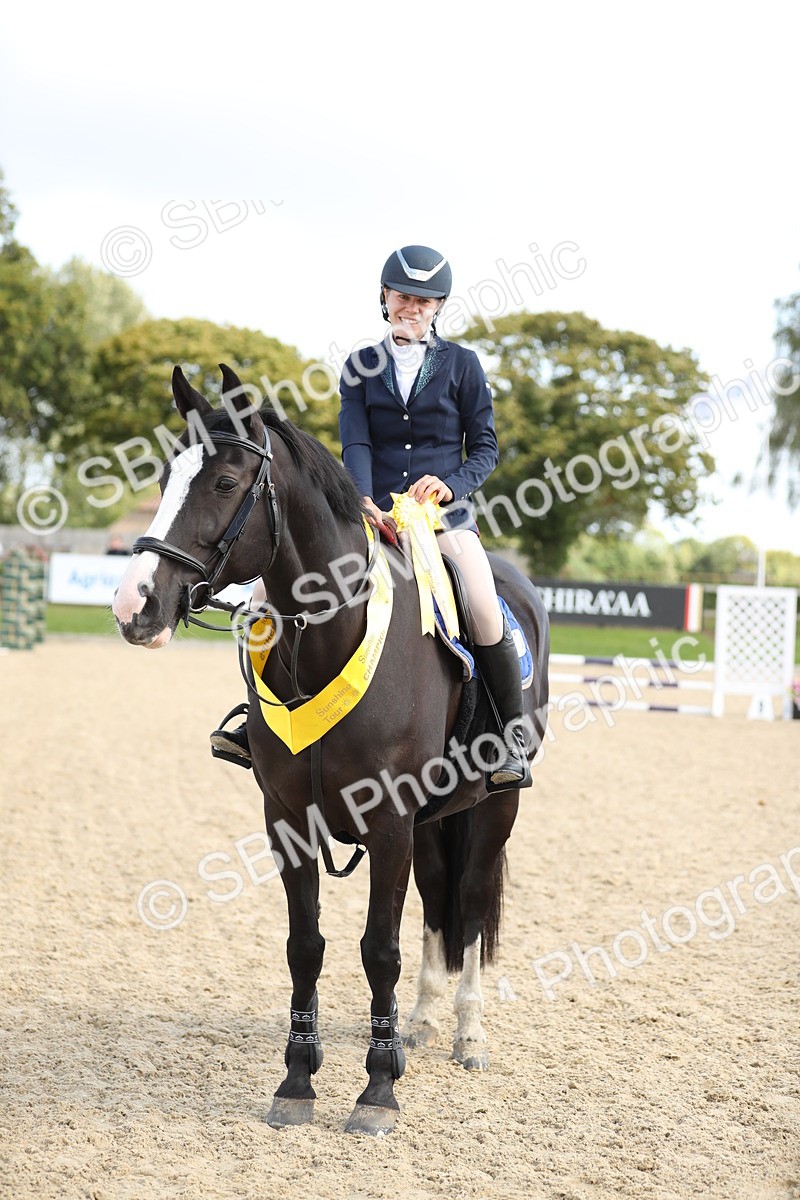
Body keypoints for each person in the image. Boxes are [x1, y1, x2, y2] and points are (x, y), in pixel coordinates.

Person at [210, 244, 531, 792]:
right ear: (384, 296)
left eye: (426, 300)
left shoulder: (463, 366)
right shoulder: (361, 365)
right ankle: (255, 721)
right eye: (404, 295)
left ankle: (509, 739)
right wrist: (358, 496)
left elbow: (485, 449)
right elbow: (354, 439)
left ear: (439, 307)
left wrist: (449, 486)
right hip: (369, 513)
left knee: (480, 600)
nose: (413, 307)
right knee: (267, 599)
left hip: (441, 521)